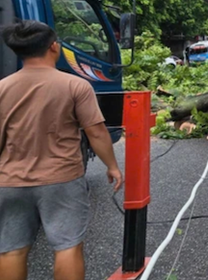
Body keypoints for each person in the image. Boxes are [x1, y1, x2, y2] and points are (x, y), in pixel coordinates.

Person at [0, 21, 123, 280]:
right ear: (54, 47)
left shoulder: (2, 87)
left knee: (12, 250)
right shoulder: (75, 85)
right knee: (67, 246)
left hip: (9, 181)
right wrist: (112, 166)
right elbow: (96, 132)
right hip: (62, 180)